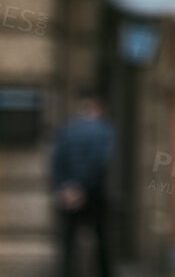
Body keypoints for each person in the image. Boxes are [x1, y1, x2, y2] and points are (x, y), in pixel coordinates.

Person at [51, 90, 113, 277]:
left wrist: (64, 188)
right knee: (102, 240)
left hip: (68, 194)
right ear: (98, 107)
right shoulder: (104, 130)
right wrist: (82, 188)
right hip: (93, 193)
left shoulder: (67, 129)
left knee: (68, 242)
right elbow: (99, 162)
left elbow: (56, 160)